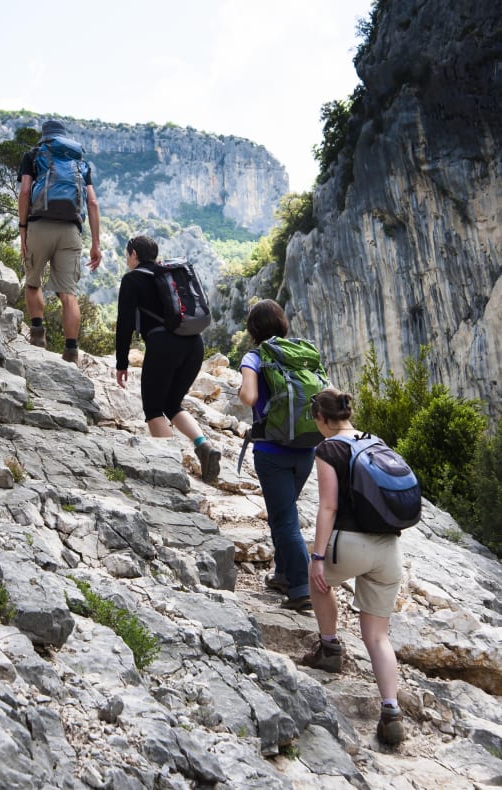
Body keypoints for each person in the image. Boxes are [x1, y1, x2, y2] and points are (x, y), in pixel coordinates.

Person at [303, 387, 406, 746]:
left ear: (322, 418)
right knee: (378, 636)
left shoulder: (328, 448)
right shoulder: (374, 440)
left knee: (317, 580)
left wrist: (317, 557)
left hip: (350, 543)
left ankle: (329, 648)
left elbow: (328, 507)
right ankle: (391, 711)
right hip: (389, 549)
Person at [115, 235, 221, 485]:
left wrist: (121, 363)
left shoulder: (133, 279)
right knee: (172, 404)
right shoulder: (170, 274)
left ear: (134, 255)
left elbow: (125, 324)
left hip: (163, 344)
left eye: (127, 254)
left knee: (153, 409)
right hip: (194, 344)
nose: (126, 258)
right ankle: (203, 446)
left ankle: (169, 470)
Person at [238, 299, 316, 611]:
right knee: (284, 511)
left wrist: (244, 390)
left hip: (272, 450)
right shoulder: (300, 352)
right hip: (306, 447)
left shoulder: (255, 356)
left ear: (253, 329)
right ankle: (284, 574)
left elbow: (250, 396)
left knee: (284, 519)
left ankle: (301, 587)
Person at [17, 120, 102, 364]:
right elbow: (93, 204)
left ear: (44, 138)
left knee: (33, 283)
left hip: (39, 225)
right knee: (68, 294)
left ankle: (37, 335)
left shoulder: (33, 156)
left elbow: (24, 192)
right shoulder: (80, 163)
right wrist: (96, 243)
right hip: (71, 231)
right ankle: (71, 350)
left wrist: (23, 228)